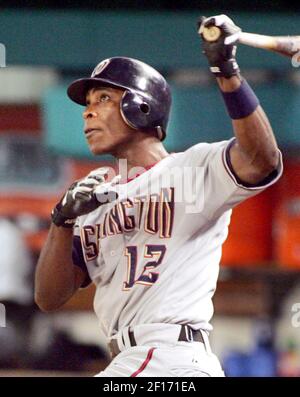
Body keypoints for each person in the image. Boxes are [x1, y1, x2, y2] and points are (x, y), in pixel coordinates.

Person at [35, 14, 283, 377]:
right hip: (135, 360)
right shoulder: (92, 199)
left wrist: (226, 71)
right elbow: (49, 297)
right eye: (88, 101)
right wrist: (62, 220)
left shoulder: (190, 169)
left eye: (103, 98)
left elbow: (261, 160)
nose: (88, 111)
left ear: (141, 106)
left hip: (168, 357)